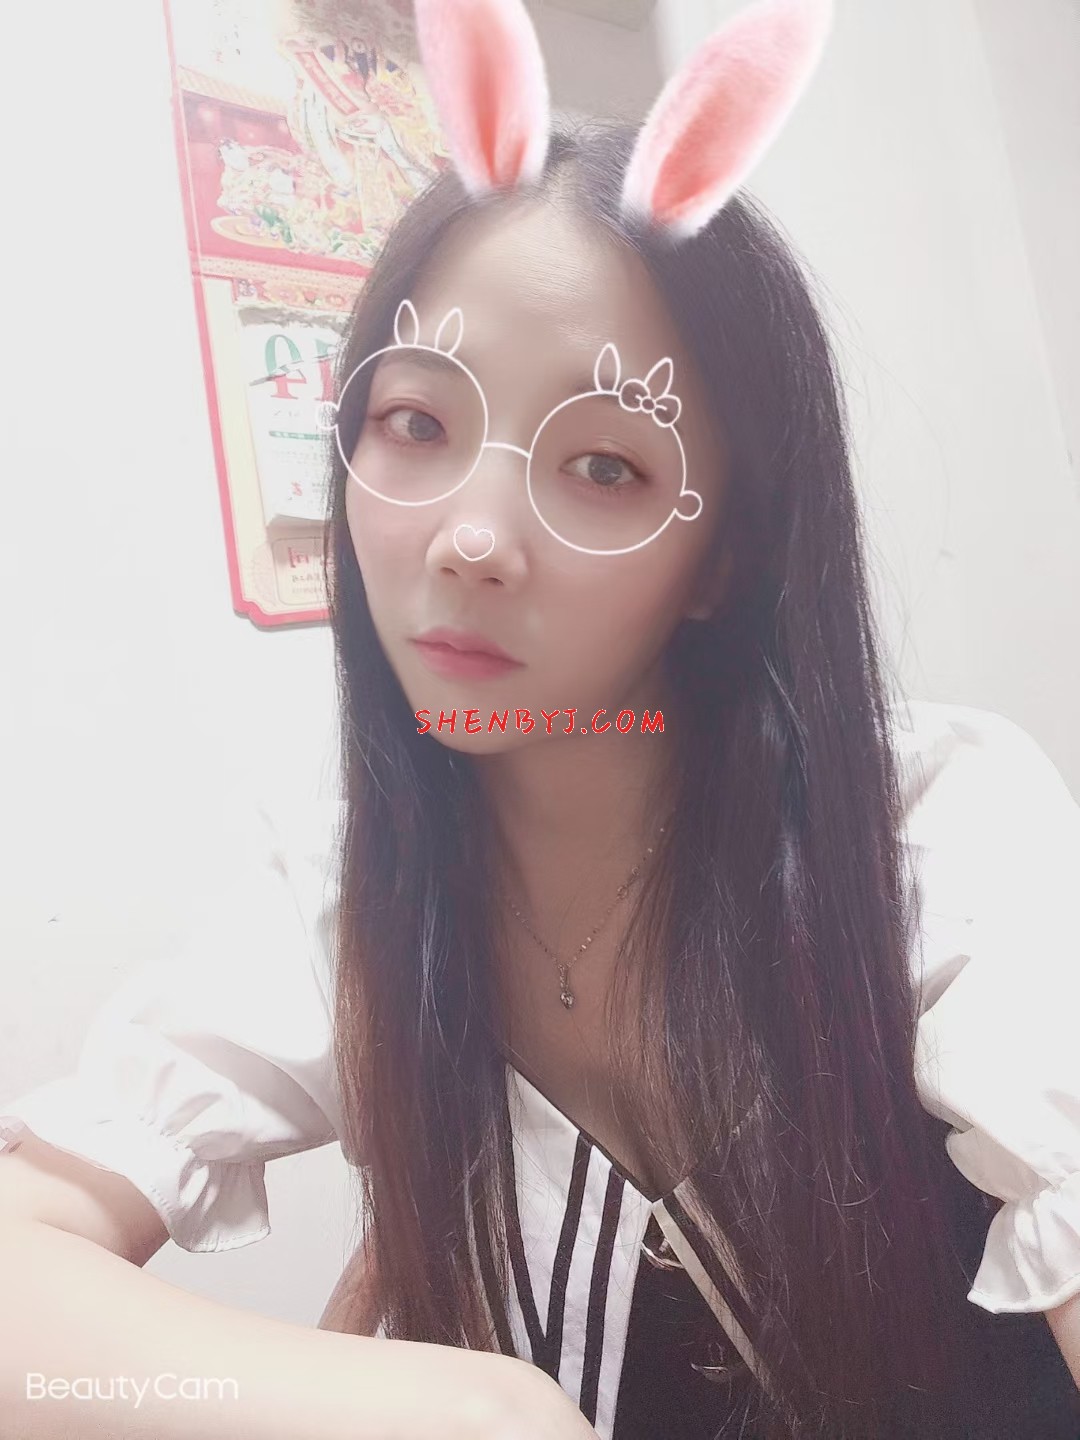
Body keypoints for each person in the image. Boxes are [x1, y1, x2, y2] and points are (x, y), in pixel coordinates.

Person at [3, 0, 1080, 1436]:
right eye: (416, 424)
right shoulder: (346, 898)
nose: (471, 539)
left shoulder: (934, 834)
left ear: (725, 560)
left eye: (606, 466)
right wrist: (455, 1406)